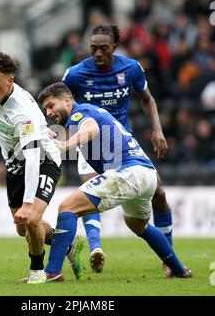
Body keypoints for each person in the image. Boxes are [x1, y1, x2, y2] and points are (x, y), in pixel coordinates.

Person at [38, 82, 192, 281]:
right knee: (137, 224)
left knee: (67, 207)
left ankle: (52, 272)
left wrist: (66, 145)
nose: (49, 112)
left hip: (128, 173)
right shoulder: (87, 112)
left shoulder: (79, 113)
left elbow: (91, 129)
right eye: (45, 109)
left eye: (51, 105)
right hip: (147, 175)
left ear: (67, 101)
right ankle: (179, 270)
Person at [62, 25, 173, 274]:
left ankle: (169, 256)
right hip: (90, 142)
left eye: (103, 48)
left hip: (123, 144)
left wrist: (158, 130)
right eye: (93, 48)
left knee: (160, 194)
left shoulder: (131, 68)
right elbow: (61, 104)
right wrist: (63, 139)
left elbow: (147, 99)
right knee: (89, 191)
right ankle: (96, 248)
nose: (98, 53)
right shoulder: (76, 74)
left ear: (114, 46)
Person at [0, 53, 83, 284]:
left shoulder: (23, 112)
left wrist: (28, 204)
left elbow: (34, 157)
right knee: (21, 228)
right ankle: (66, 242)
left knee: (31, 219)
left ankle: (38, 273)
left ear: (10, 80)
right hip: (15, 164)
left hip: (44, 160)